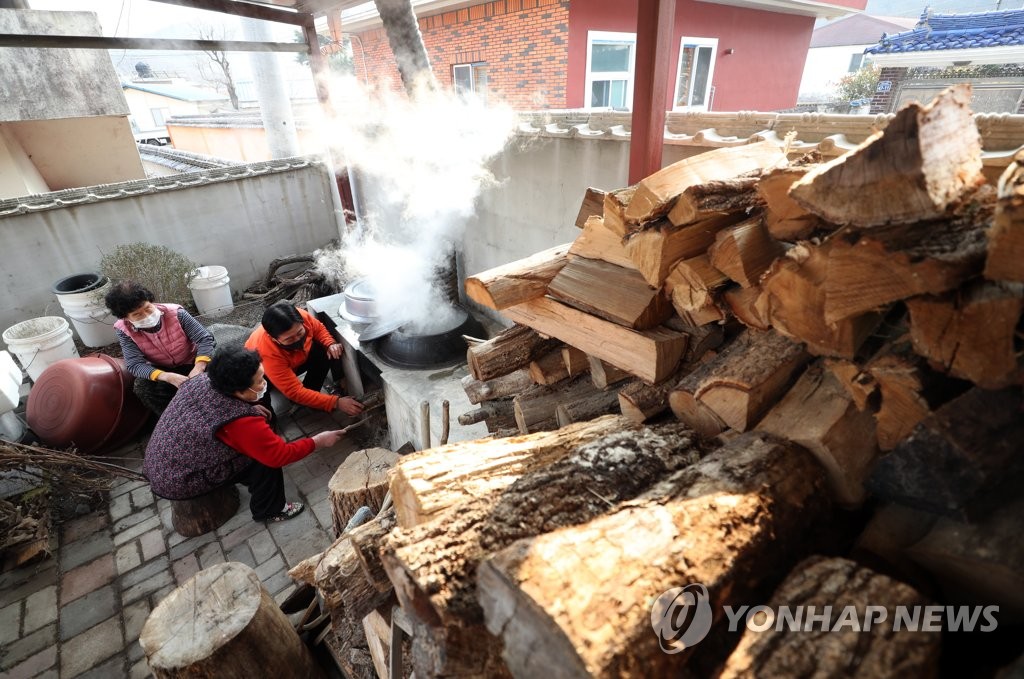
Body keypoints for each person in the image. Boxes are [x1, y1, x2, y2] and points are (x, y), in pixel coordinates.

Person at [144, 345, 347, 523]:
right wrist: (318, 441)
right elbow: (279, 455)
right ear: (239, 391)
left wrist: (248, 406)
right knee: (263, 459)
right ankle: (269, 510)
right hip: (180, 479)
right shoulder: (239, 422)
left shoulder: (207, 380)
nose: (264, 384)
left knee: (260, 445)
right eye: (259, 381)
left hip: (162, 462)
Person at [104, 281, 216, 415]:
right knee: (142, 387)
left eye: (148, 308)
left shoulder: (176, 313)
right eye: (137, 315)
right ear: (125, 318)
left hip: (193, 359)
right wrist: (167, 377)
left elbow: (204, 338)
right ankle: (176, 417)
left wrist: (199, 367)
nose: (147, 316)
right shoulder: (123, 330)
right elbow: (134, 364)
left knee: (219, 367)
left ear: (151, 301)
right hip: (163, 369)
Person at [245, 302, 364, 416]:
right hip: (262, 374)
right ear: (274, 339)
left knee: (322, 352)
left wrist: (329, 343)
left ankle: (311, 397)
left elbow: (318, 328)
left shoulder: (300, 316)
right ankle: (269, 422)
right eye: (290, 339)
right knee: (261, 402)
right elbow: (294, 392)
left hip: (294, 361)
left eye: (300, 333)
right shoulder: (267, 351)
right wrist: (335, 402)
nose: (297, 340)